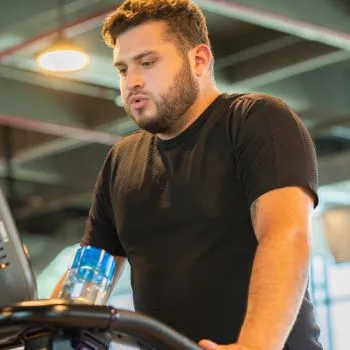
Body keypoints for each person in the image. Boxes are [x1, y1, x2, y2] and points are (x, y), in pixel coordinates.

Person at [52, 1, 323, 349]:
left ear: (198, 60)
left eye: (147, 63)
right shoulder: (121, 161)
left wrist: (254, 345)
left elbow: (286, 234)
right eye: (122, 70)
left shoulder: (255, 121)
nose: (132, 81)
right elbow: (87, 278)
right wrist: (43, 334)